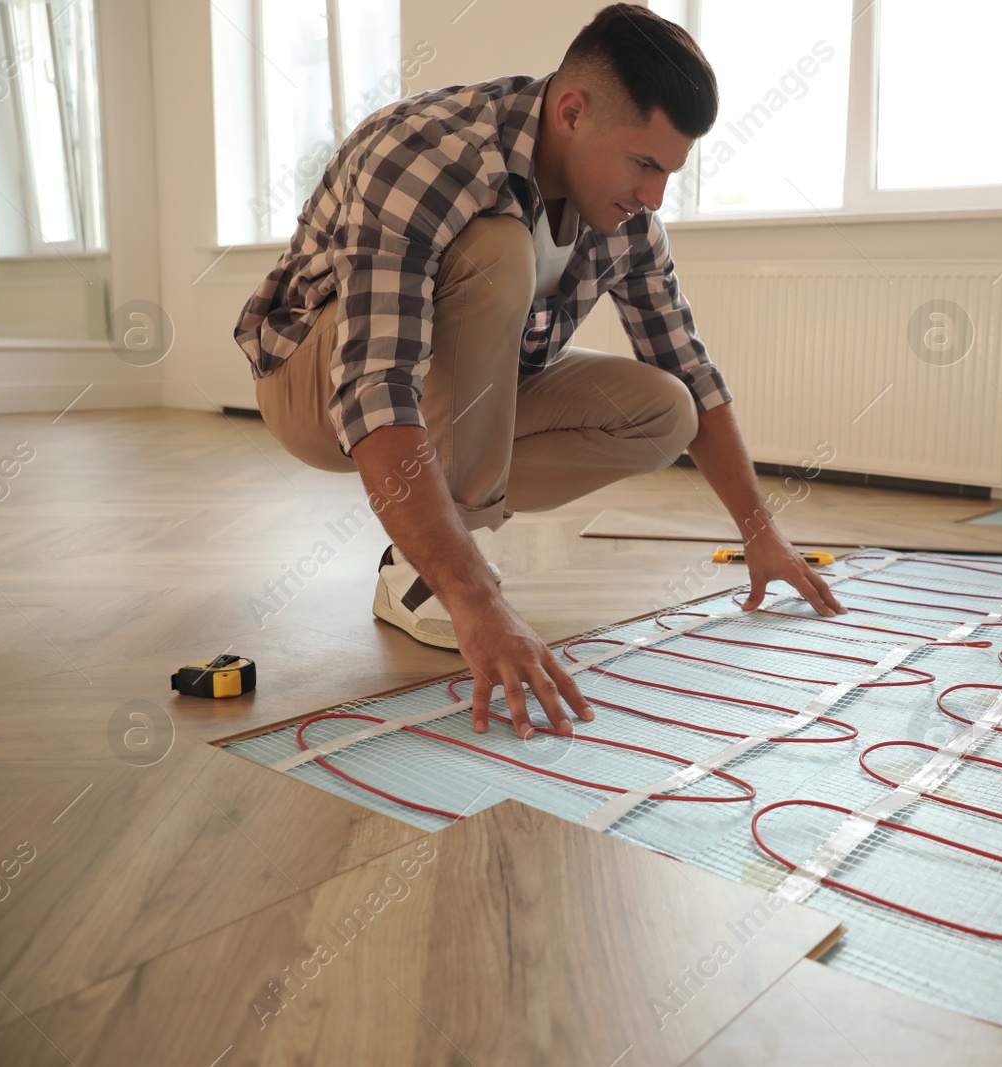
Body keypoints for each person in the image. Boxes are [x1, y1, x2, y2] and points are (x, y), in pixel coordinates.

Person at [234, 4, 844, 743]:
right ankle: (433, 577)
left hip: (454, 400)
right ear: (573, 111)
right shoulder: (429, 156)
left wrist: (759, 531)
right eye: (644, 163)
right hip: (313, 380)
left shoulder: (628, 223)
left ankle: (425, 551)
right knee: (498, 252)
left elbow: (690, 365)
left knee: (668, 408)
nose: (653, 197)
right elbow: (375, 383)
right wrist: (478, 602)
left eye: (669, 172)